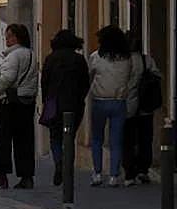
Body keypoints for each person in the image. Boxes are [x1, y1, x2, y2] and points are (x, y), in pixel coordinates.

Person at [87, 25, 143, 187]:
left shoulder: (96, 57)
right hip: (119, 102)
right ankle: (114, 175)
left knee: (97, 138)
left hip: (99, 100)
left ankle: (97, 173)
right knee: (116, 141)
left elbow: (90, 76)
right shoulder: (127, 59)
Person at [39, 29, 90, 186]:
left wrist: (46, 101)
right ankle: (67, 167)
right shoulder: (79, 60)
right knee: (70, 138)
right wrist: (80, 99)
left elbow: (44, 83)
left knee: (55, 137)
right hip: (74, 104)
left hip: (54, 103)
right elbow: (85, 83)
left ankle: (59, 161)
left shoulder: (51, 59)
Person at [0, 23, 37, 189]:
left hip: (10, 102)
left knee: (4, 139)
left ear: (16, 37)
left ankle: (1, 175)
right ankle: (26, 176)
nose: (6, 39)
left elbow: (7, 78)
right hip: (27, 101)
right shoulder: (31, 55)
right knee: (25, 140)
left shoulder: (13, 56)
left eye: (8, 36)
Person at [123, 32, 161, 186]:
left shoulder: (123, 61)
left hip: (128, 106)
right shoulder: (147, 60)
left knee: (128, 140)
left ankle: (129, 173)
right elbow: (157, 76)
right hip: (145, 106)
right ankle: (143, 170)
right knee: (146, 138)